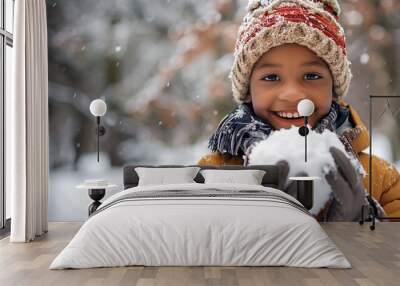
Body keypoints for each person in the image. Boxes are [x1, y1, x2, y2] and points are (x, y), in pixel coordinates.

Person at [197, 0, 400, 220]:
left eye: (312, 76)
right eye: (271, 77)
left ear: (333, 88)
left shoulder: (381, 182)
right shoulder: (213, 176)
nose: (293, 94)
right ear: (248, 91)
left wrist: (365, 232)